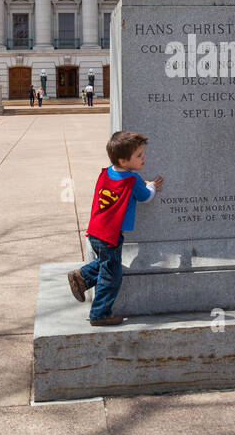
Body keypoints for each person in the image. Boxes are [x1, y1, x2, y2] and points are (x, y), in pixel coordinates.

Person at [67, 131, 164, 325]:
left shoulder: (107, 173)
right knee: (112, 274)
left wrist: (139, 182)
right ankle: (100, 314)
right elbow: (146, 196)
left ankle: (81, 276)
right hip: (110, 235)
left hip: (96, 231)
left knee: (107, 263)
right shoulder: (133, 180)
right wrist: (151, 185)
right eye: (138, 155)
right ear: (123, 160)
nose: (143, 157)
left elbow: (121, 186)